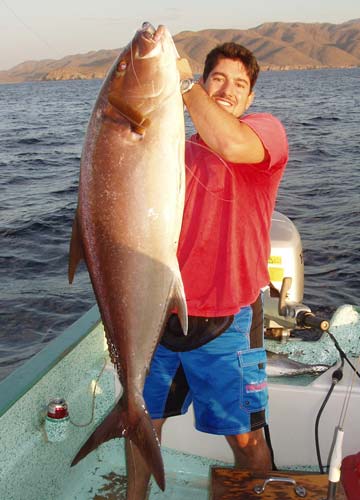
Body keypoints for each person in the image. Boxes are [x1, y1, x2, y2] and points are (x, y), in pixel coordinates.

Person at [127, 41, 288, 498]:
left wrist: (184, 85)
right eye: (217, 77)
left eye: (239, 84)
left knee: (246, 438)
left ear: (250, 97)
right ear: (205, 78)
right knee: (142, 422)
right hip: (162, 315)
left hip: (227, 318)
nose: (227, 89)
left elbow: (230, 143)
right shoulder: (177, 144)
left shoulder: (264, 133)